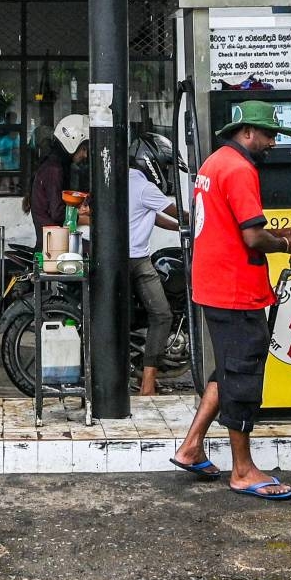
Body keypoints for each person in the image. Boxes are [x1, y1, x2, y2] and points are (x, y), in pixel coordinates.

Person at [171, 100, 291, 500]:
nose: (273, 143)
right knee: (244, 378)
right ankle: (243, 470)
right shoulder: (240, 169)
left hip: (213, 284)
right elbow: (252, 238)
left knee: (228, 370)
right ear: (248, 132)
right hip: (236, 290)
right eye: (269, 135)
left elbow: (235, 226)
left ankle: (191, 447)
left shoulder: (214, 162)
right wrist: (286, 242)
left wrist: (280, 232)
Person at [127, 133, 188, 396]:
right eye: (163, 166)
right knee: (162, 315)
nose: (164, 172)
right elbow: (175, 210)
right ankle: (148, 384)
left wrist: (180, 229)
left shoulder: (126, 180)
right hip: (136, 260)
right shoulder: (144, 187)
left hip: (118, 259)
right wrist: (200, 218)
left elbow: (151, 216)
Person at [23, 113, 90, 251]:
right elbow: (58, 213)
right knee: (98, 250)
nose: (85, 155)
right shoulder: (54, 170)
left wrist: (79, 209)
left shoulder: (54, 165)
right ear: (72, 143)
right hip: (54, 244)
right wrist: (85, 218)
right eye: (83, 149)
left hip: (54, 238)